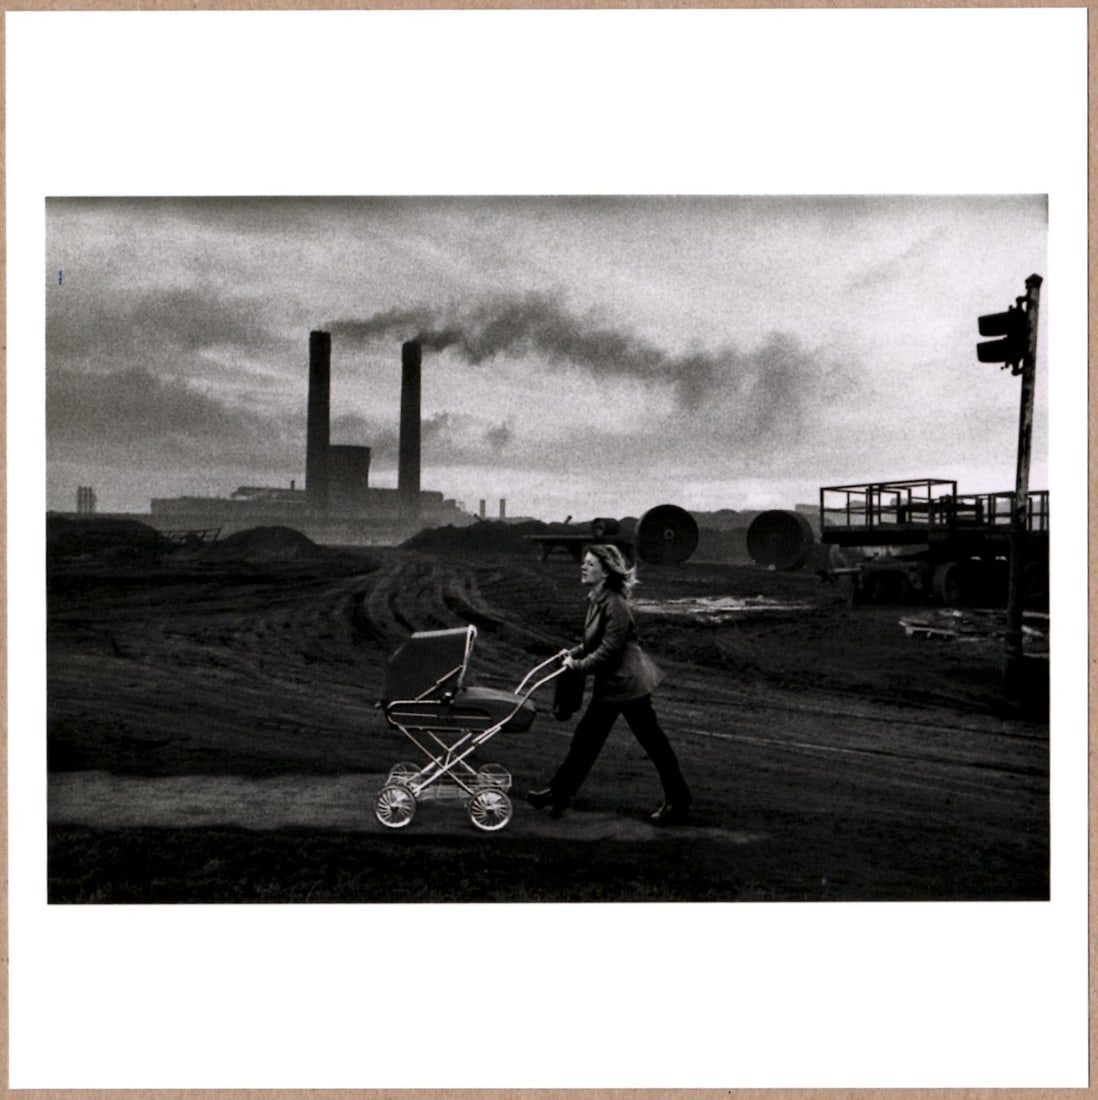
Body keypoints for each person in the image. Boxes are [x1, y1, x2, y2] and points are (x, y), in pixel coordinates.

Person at [526, 543, 693, 825]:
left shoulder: (615, 604)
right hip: (613, 685)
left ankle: (678, 802)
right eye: (585, 562)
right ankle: (559, 793)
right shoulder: (598, 598)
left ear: (605, 572)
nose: (583, 567)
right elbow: (594, 642)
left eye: (590, 564)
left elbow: (609, 650)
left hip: (628, 685)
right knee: (586, 740)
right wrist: (573, 652)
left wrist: (577, 666)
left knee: (652, 743)